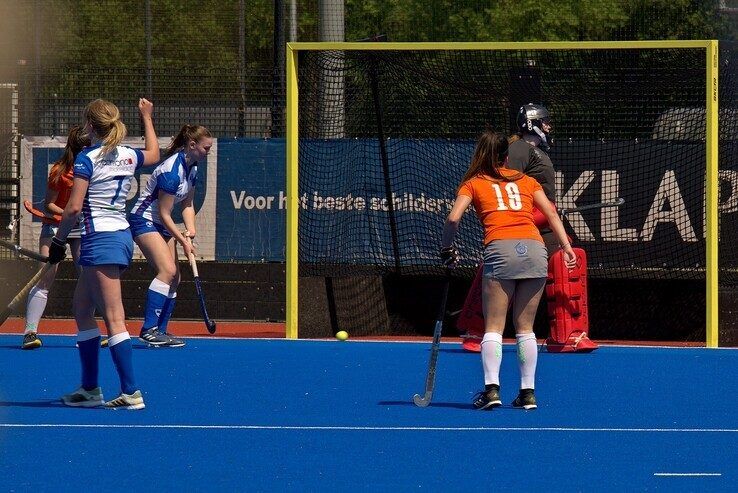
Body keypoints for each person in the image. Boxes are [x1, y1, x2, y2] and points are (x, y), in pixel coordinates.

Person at [441, 130, 576, 410]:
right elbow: (551, 213)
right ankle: (528, 393)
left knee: (493, 327)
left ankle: (491, 390)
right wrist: (566, 247)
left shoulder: (474, 183)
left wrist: (446, 249)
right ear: (506, 156)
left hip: (501, 250)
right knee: (525, 327)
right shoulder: (527, 181)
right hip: (536, 249)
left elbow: (453, 218)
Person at [48, 98, 159, 410]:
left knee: (114, 317)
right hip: (118, 237)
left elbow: (72, 207)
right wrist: (147, 118)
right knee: (82, 309)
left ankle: (131, 392)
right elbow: (153, 154)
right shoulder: (127, 155)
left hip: (101, 239)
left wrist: (58, 241)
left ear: (89, 125)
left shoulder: (87, 159)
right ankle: (89, 389)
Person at [129, 124, 213, 347]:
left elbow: (187, 204)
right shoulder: (171, 172)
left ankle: (161, 331)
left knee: (175, 278)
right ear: (192, 145)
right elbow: (166, 214)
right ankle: (148, 329)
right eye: (206, 148)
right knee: (167, 271)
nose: (208, 152)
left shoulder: (192, 167)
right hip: (144, 219)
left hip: (161, 223)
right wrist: (182, 240)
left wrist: (191, 229)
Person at [21, 126, 90, 349]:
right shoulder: (60, 171)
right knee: (46, 278)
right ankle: (30, 332)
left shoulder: (93, 169)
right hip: (55, 227)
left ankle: (87, 333)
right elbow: (49, 204)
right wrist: (69, 212)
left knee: (88, 278)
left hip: (80, 229)